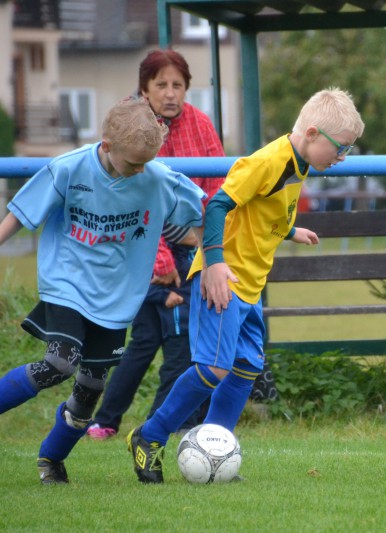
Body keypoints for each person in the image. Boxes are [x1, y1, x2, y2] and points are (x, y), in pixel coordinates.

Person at [127, 87, 364, 483]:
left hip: (249, 283)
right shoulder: (268, 161)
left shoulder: (300, 163)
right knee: (214, 367)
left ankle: (215, 447)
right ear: (311, 133)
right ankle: (149, 436)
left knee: (246, 366)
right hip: (224, 277)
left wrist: (291, 230)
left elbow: (263, 210)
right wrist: (215, 264)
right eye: (340, 148)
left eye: (347, 150)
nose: (341, 157)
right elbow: (218, 205)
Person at [0, 99, 206, 484]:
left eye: (147, 163)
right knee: (60, 362)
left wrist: (213, 260)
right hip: (67, 282)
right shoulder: (69, 168)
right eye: (134, 163)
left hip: (116, 296)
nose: (140, 171)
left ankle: (51, 459)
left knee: (90, 389)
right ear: (107, 145)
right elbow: (19, 214)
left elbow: (198, 218)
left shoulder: (157, 178)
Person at [87, 49, 229, 441]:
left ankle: (107, 421)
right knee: (177, 343)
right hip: (141, 249)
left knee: (147, 339)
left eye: (177, 85)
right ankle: (159, 424)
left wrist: (206, 238)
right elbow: (129, 195)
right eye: (161, 84)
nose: (170, 93)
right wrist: (160, 259)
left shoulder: (200, 123)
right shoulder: (130, 124)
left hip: (192, 246)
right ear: (144, 88)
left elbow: (219, 184)